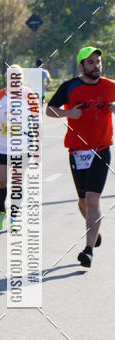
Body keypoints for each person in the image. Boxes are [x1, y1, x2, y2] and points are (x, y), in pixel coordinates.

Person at [46, 46, 115, 268]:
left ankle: (88, 250)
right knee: (83, 201)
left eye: (98, 62)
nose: (96, 66)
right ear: (81, 66)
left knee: (93, 199)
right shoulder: (70, 87)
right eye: (91, 62)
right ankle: (94, 230)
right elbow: (49, 109)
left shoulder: (110, 86)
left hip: (101, 150)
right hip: (77, 152)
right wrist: (67, 113)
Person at [0, 65, 40, 231]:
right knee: (1, 180)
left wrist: (37, 149)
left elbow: (36, 123)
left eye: (18, 77)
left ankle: (14, 216)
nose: (14, 80)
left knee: (17, 181)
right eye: (11, 77)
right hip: (2, 145)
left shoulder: (29, 95)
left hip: (23, 145)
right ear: (6, 78)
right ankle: (1, 211)